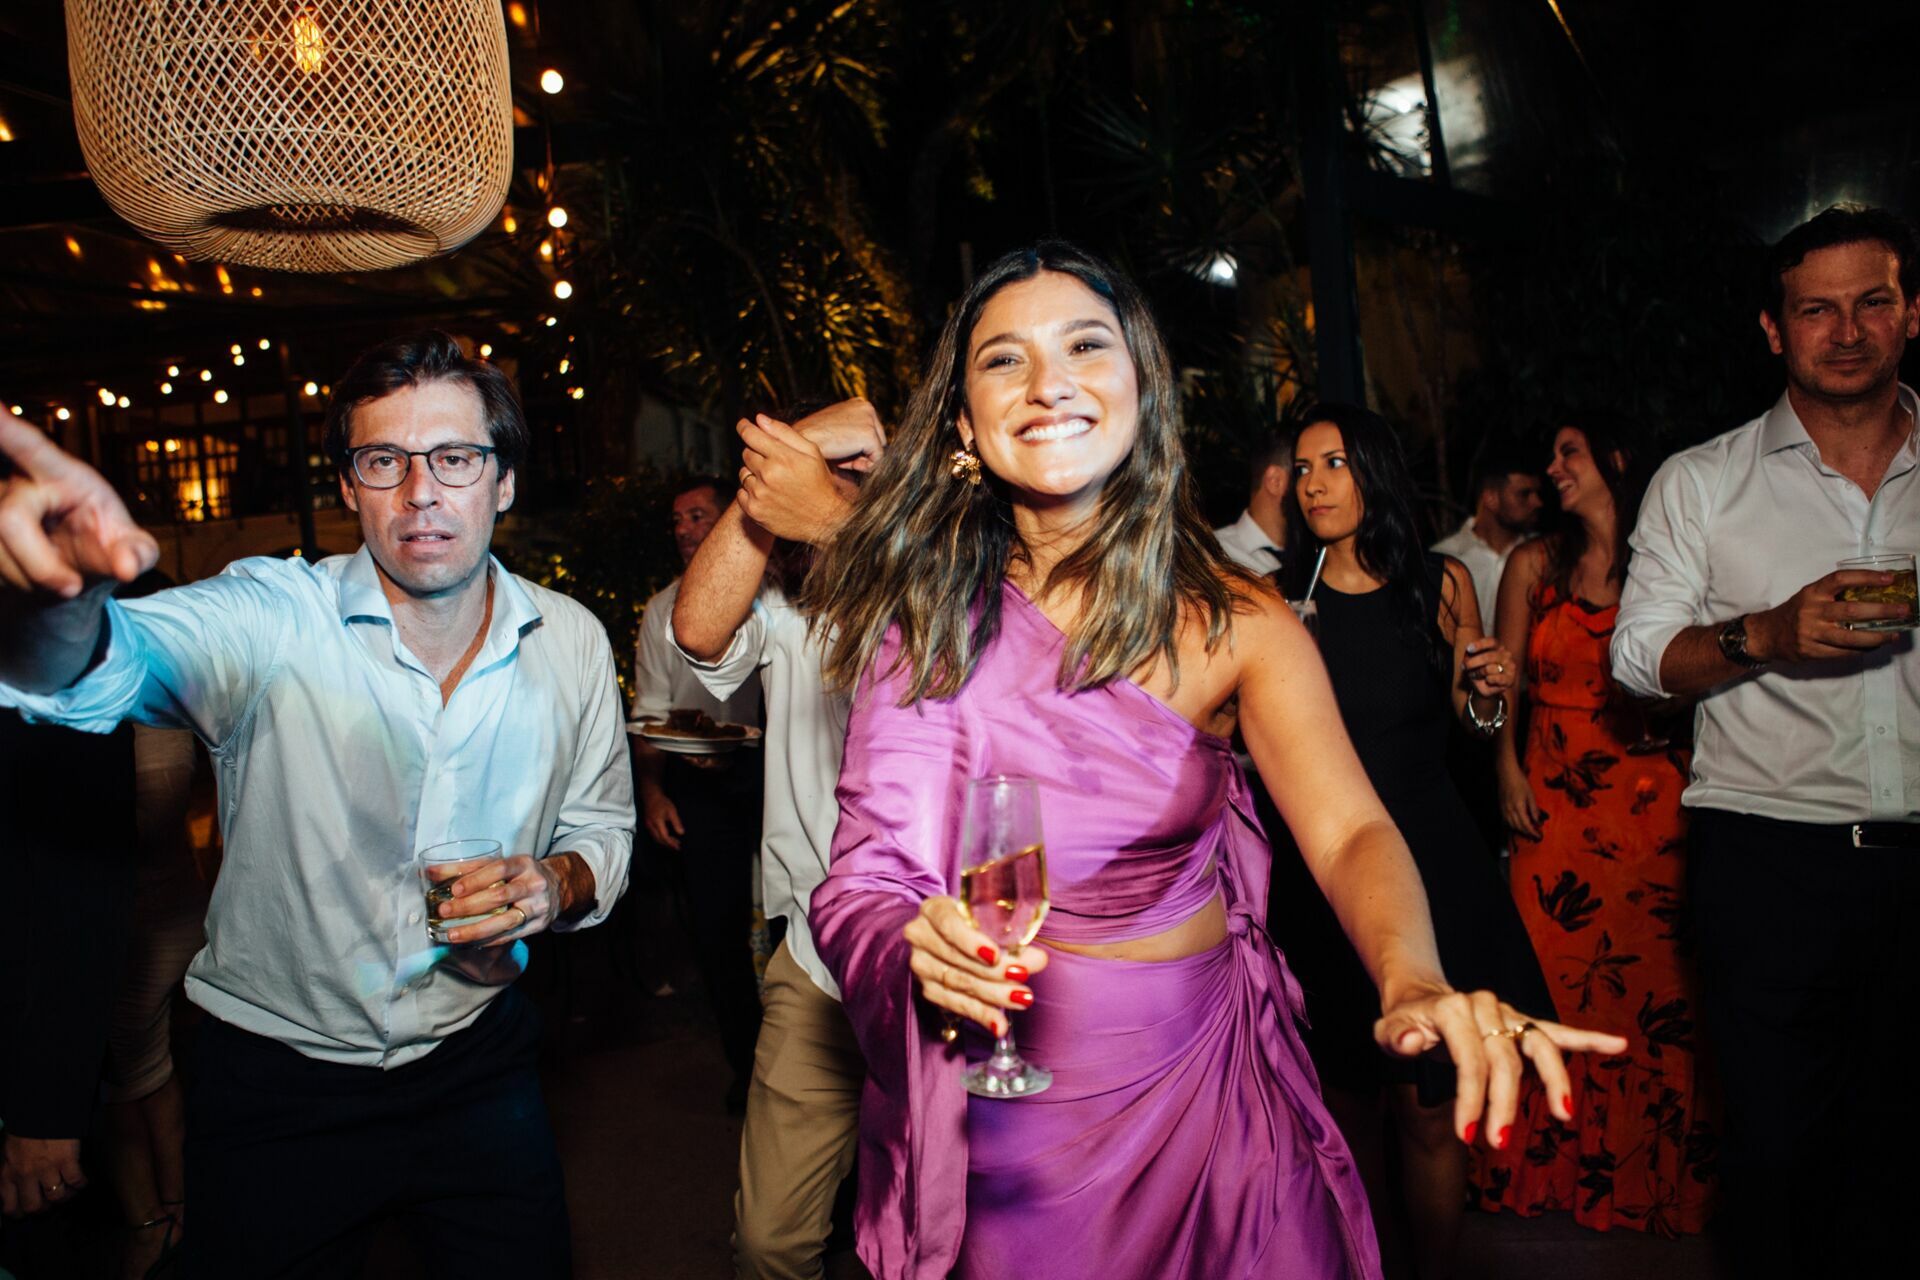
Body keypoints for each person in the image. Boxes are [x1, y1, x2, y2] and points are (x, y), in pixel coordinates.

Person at [799, 242, 1623, 1280]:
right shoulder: (922, 624)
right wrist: (908, 943)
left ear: (1141, 385)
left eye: (1085, 346)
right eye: (1004, 360)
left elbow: (1354, 826)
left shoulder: (1244, 619)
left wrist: (1410, 974)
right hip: (1012, 1115)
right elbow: (868, 875)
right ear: (964, 422)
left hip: (1209, 1092)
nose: (1049, 381)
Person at [0, 330, 634, 1278]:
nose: (422, 492)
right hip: (276, 1083)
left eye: (456, 458)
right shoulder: (273, 616)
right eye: (384, 460)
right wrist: (56, 603)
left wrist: (556, 881)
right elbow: (101, 674)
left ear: (504, 482)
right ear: (347, 485)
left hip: (480, 1062)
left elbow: (604, 830)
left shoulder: (571, 640)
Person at [1611, 205, 1920, 1278]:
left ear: (1912, 312)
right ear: (1772, 329)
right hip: (1773, 858)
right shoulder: (1702, 481)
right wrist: (1772, 631)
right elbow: (1639, 658)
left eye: (1872, 299)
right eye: (1816, 308)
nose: (1847, 328)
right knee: (1781, 1158)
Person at [1275, 402, 1557, 1279]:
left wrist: (1487, 690)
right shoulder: (1284, 603)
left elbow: (1472, 729)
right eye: (1305, 467)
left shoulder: (1440, 586)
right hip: (1320, 872)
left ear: (1374, 473)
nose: (1315, 483)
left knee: (1429, 1105)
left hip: (1430, 860)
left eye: (1335, 464)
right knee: (1343, 1104)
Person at [1477, 420, 1714, 1236]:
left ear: (1616, 458)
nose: (1551, 469)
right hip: (1550, 810)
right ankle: (1548, 1180)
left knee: (1655, 997)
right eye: (1547, 455)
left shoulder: (1669, 560)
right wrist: (1503, 766)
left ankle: (1649, 1181)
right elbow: (1501, 681)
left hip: (1651, 812)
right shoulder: (1532, 565)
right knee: (1547, 982)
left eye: (1569, 452)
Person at [671, 398, 886, 1279]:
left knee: (958, 1224)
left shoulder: (947, 586)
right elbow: (696, 628)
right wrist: (776, 471)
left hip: (950, 959)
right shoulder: (787, 609)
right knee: (769, 1243)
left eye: (846, 475)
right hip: (818, 958)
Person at [632, 474, 765, 1110]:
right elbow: (652, 715)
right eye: (676, 520)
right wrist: (654, 793)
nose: (684, 530)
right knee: (717, 931)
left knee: (789, 914)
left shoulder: (771, 597)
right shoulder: (662, 611)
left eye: (697, 516)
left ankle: (808, 1067)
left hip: (771, 773)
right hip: (696, 786)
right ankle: (747, 1064)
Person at [1431, 446, 1543, 628]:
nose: (1537, 502)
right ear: (1491, 498)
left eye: (1537, 493)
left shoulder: (1544, 556)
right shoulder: (1445, 557)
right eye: (1524, 494)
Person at [1213, 428, 1293, 576]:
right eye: (1303, 471)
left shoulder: (1318, 557)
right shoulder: (1213, 555)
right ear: (1275, 481)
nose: (1313, 485)